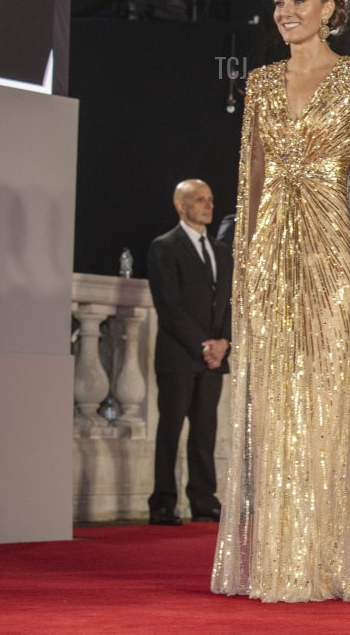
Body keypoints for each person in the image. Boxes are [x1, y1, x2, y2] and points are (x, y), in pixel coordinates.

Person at [211, 0, 350, 602]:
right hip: (268, 257)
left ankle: (327, 562)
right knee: (276, 404)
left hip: (335, 249)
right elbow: (251, 177)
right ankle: (279, 563)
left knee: (328, 399)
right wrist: (247, 262)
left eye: (299, 0)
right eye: (279, 1)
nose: (286, 11)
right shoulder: (258, 83)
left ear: (331, 8)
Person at [146, 179, 233, 526]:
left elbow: (228, 302)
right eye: (199, 199)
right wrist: (204, 345)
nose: (208, 205)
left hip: (213, 360)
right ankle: (163, 502)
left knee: (204, 432)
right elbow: (169, 305)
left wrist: (224, 342)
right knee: (170, 430)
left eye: (211, 199)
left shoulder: (221, 251)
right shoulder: (164, 246)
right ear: (181, 206)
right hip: (178, 355)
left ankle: (203, 499)